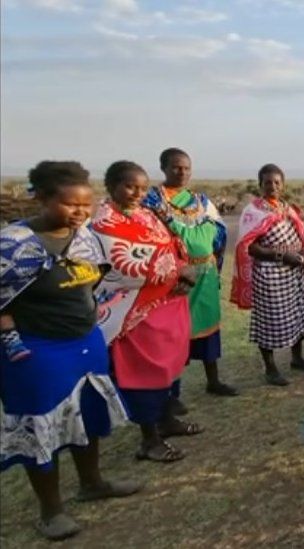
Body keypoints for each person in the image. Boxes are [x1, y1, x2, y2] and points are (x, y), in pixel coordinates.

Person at [1, 161, 140, 541]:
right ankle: (50, 511)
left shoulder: (85, 238)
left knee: (88, 413)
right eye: (70, 204)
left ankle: (92, 482)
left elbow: (92, 283)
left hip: (85, 341)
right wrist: (12, 339)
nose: (80, 212)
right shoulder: (13, 246)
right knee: (40, 428)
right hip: (35, 350)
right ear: (42, 198)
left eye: (86, 204)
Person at [93, 161, 201, 462]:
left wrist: (181, 268)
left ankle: (166, 421)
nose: (137, 193)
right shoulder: (104, 223)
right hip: (135, 311)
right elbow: (124, 264)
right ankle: (148, 439)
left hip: (167, 303)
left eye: (142, 188)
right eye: (130, 186)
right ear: (111, 185)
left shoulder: (147, 215)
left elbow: (171, 245)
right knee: (143, 373)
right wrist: (178, 272)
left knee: (168, 367)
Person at [143, 147, 237, 399]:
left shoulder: (201, 201)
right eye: (176, 167)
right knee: (175, 335)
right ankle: (172, 395)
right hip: (175, 278)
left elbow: (219, 231)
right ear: (163, 168)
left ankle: (213, 381)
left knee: (208, 329)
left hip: (205, 275)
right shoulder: (152, 201)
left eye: (186, 168)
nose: (182, 172)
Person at [230, 164, 304, 386]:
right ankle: (270, 368)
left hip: (295, 272)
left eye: (277, 182)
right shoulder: (254, 212)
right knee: (269, 321)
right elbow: (250, 247)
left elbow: (303, 236)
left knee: (299, 316)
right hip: (269, 274)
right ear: (260, 185)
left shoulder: (289, 209)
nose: (273, 186)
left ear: (283, 184)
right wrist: (281, 256)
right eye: (268, 182)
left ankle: (297, 358)